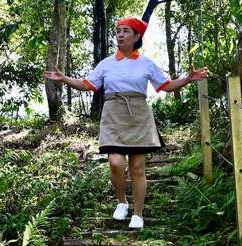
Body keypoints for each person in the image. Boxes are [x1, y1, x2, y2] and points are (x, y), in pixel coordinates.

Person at [44, 17, 209, 229]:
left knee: (138, 168)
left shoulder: (147, 63)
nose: (120, 34)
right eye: (118, 31)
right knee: (115, 162)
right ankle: (122, 201)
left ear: (137, 36)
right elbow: (87, 84)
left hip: (139, 113)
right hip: (113, 113)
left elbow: (166, 86)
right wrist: (64, 78)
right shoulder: (106, 64)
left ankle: (138, 214)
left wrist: (187, 79)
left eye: (125, 31)